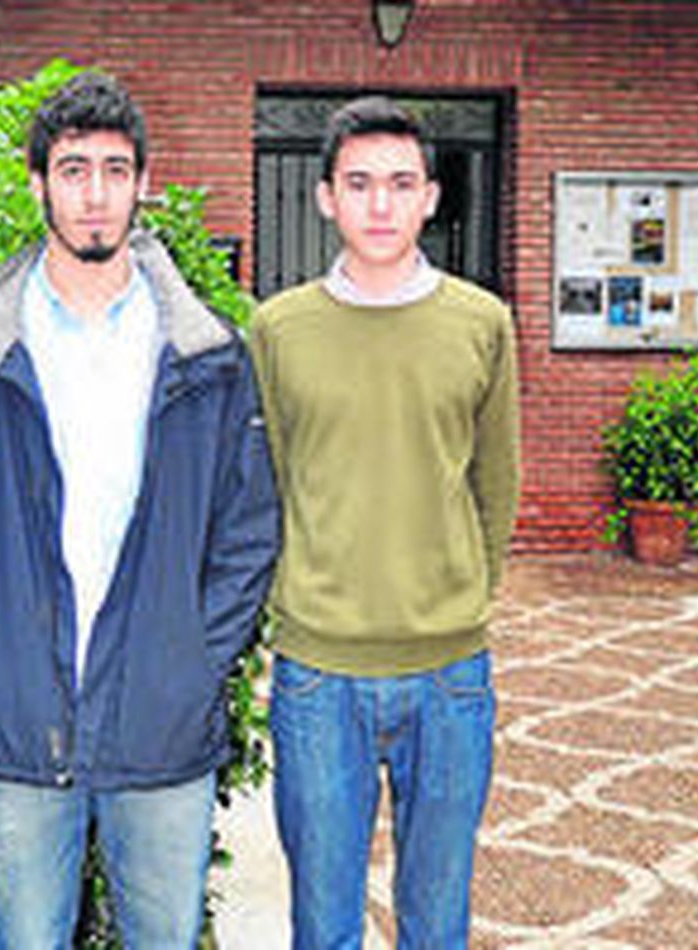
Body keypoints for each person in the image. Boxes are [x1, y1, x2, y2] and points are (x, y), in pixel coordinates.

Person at [0, 72, 279, 948]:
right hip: (19, 725)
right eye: (74, 170)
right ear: (38, 184)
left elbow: (247, 530)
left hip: (163, 721)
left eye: (115, 169)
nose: (96, 194)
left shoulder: (206, 356)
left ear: (145, 183)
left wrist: (192, 656)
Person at [248, 96, 520, 948]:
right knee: (324, 924)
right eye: (359, 183)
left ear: (431, 198)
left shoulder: (482, 324)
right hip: (317, 674)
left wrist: (462, 594)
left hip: (450, 674)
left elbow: (496, 484)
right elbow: (273, 484)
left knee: (436, 922)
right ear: (326, 196)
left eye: (400, 184)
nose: (379, 204)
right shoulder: (279, 328)